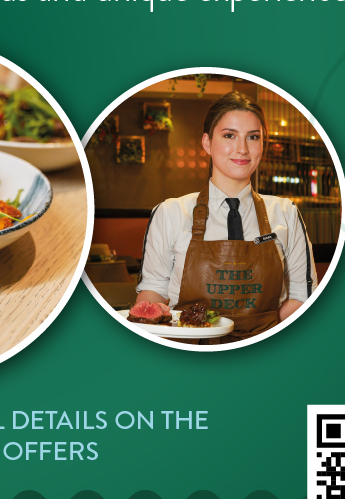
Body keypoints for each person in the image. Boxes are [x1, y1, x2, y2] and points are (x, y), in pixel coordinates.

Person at [133, 91, 312, 343]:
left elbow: (301, 296)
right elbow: (154, 290)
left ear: (263, 144)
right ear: (207, 143)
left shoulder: (286, 213)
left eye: (253, 137)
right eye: (229, 135)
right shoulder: (170, 212)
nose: (242, 149)